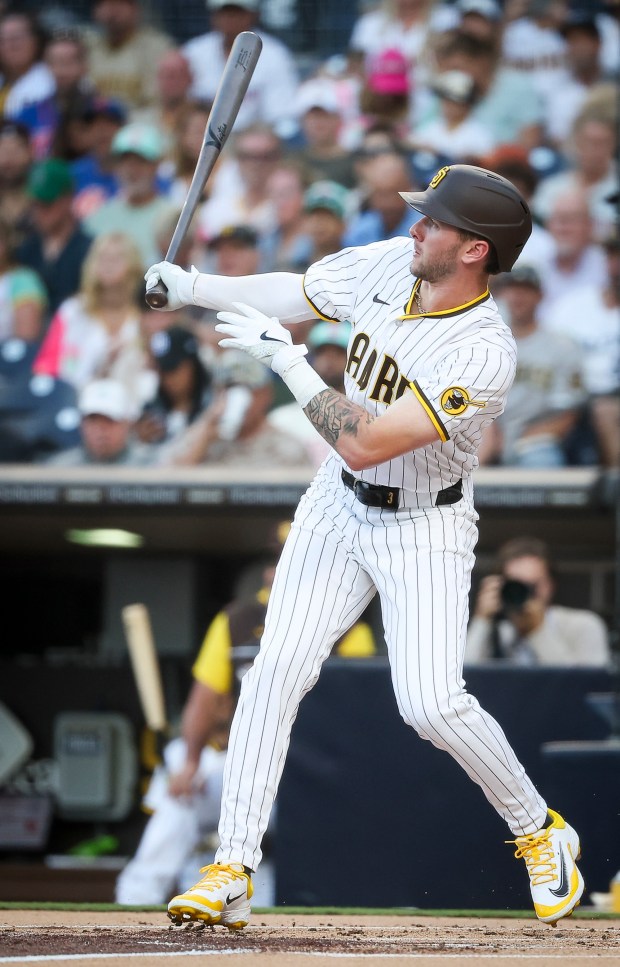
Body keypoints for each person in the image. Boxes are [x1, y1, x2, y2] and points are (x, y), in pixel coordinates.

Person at [145, 162, 585, 928]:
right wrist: (196, 286)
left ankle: (538, 828)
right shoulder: (391, 260)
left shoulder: (484, 350)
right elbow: (298, 292)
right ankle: (232, 866)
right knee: (273, 668)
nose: (417, 226)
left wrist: (285, 361)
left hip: (425, 520)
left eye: (435, 222)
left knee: (431, 703)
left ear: (475, 249)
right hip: (336, 511)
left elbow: (369, 443)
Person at [115, 539, 376, 906]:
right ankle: (134, 902)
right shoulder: (238, 619)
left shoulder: (348, 625)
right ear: (269, 573)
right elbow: (204, 699)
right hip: (246, 761)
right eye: (281, 562)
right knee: (180, 775)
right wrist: (189, 762)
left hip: (309, 772)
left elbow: (360, 712)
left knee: (274, 891)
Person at [478, 264, 586, 467]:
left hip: (534, 442)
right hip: (485, 437)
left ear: (540, 296)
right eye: (512, 289)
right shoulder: (486, 342)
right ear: (502, 295)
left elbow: (569, 414)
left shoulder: (562, 347)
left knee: (541, 459)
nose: (518, 296)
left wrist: (519, 441)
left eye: (526, 289)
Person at [32, 231, 150, 407]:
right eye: (102, 257)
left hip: (131, 410)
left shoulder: (145, 316)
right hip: (72, 405)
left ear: (134, 266)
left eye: (117, 258)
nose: (108, 264)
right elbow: (45, 367)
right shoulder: (72, 311)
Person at [466, 536, 610, 666]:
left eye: (532, 586)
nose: (524, 595)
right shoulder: (496, 633)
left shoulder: (584, 625)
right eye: (515, 586)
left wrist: (537, 631)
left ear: (550, 586)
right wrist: (482, 620)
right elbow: (460, 680)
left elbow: (582, 685)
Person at [182, 0, 300, 140]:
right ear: (214, 16)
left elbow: (281, 116)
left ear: (254, 15)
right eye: (225, 13)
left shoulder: (275, 54)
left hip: (253, 142)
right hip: (204, 140)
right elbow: (183, 107)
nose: (230, 19)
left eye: (238, 13)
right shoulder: (194, 52)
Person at [84, 121, 176, 269]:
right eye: (125, 161)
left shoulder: (173, 217)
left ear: (156, 165)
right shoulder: (97, 218)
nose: (132, 170)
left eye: (141, 161)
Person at [15, 157, 93, 318]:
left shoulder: (88, 249)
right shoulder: (25, 249)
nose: (39, 212)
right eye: (34, 204)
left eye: (46, 203)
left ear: (68, 198)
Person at [84, 0, 175, 114]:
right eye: (104, 4)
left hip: (144, 125)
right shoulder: (87, 47)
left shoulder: (157, 48)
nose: (111, 12)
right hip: (98, 124)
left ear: (135, 8)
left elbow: (161, 103)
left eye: (118, 4)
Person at [45, 376, 154, 467]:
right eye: (93, 420)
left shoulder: (149, 467)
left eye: (109, 420)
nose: (100, 429)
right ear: (81, 424)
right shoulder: (61, 468)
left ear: (127, 424)